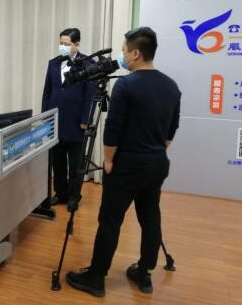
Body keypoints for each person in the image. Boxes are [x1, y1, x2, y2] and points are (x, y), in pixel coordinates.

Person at [66, 27, 181, 297]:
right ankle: (145, 273)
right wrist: (155, 150)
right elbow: (171, 131)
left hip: (126, 166)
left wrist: (108, 160)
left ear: (136, 53)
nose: (123, 56)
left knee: (110, 220)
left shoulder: (126, 85)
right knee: (150, 217)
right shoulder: (171, 86)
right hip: (156, 164)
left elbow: (113, 130)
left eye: (124, 51)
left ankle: (96, 277)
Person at [42, 28, 95, 205]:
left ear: (77, 44)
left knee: (75, 164)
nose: (62, 47)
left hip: (76, 121)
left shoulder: (88, 63)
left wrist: (85, 120)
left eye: (66, 44)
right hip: (55, 120)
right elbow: (47, 92)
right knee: (57, 162)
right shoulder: (53, 63)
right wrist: (45, 117)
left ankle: (74, 196)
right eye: (60, 43)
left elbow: (90, 95)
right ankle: (61, 193)